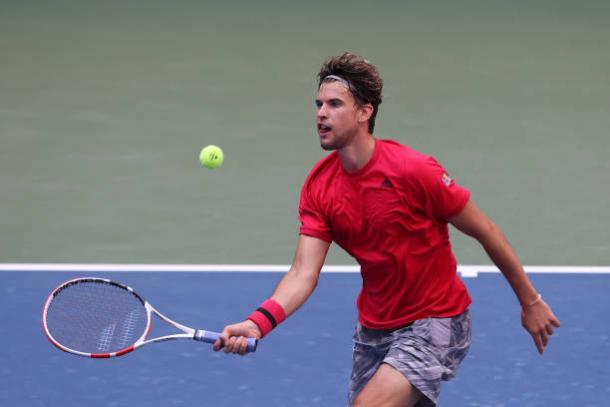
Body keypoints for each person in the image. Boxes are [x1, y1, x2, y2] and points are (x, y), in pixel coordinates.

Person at [213, 52, 561, 407]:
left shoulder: (413, 171)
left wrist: (530, 301)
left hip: (435, 319)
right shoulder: (319, 186)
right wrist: (258, 323)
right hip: (375, 327)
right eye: (319, 104)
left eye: (335, 104)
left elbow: (485, 230)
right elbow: (303, 272)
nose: (321, 113)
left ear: (365, 112)